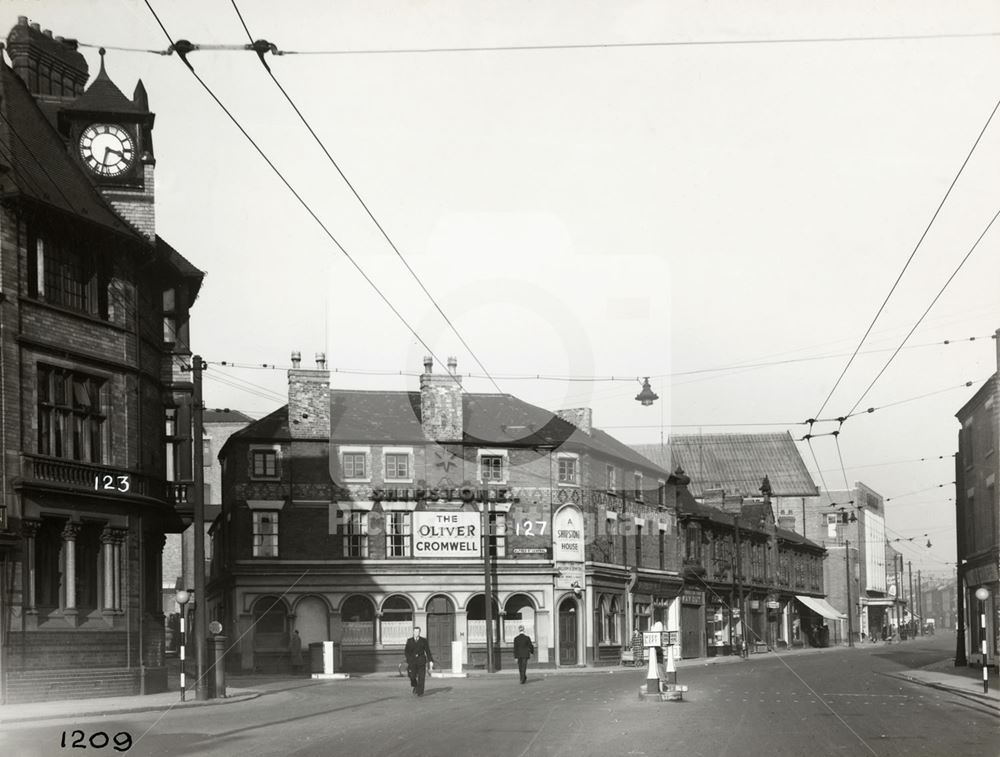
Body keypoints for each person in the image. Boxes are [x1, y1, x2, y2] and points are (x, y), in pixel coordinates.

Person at [404, 626, 434, 696]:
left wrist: (430, 660)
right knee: (412, 676)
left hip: (421, 661)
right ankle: (415, 685)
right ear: (413, 632)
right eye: (415, 632)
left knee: (421, 677)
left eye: (418, 632)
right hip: (412, 661)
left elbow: (427, 650)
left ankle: (420, 692)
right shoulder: (409, 640)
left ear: (419, 632)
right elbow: (406, 651)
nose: (416, 633)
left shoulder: (423, 640)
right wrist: (409, 659)